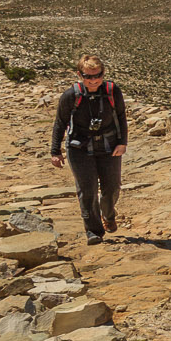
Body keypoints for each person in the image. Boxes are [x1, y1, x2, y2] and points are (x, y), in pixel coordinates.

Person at [49, 53, 127, 245]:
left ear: (103, 73)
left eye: (97, 75)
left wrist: (122, 142)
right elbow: (60, 123)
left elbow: (121, 116)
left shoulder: (111, 91)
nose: (93, 80)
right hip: (79, 148)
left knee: (112, 188)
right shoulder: (71, 95)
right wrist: (55, 151)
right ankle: (93, 230)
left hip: (108, 146)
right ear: (79, 75)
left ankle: (108, 215)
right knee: (87, 190)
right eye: (88, 76)